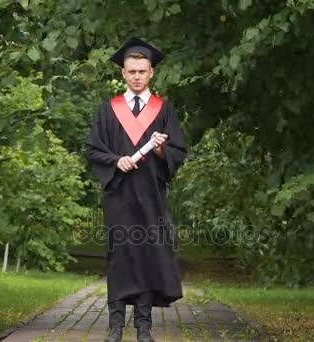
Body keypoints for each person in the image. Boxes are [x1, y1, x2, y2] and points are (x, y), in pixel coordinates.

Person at [85, 37, 187, 342]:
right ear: (123, 74)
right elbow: (93, 149)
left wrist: (159, 150)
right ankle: (115, 326)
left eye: (142, 71)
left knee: (147, 255)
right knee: (119, 257)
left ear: (151, 73)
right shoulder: (108, 110)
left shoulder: (163, 109)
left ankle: (144, 327)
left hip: (151, 196)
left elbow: (178, 151)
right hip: (119, 196)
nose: (137, 76)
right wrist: (117, 161)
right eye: (131, 71)